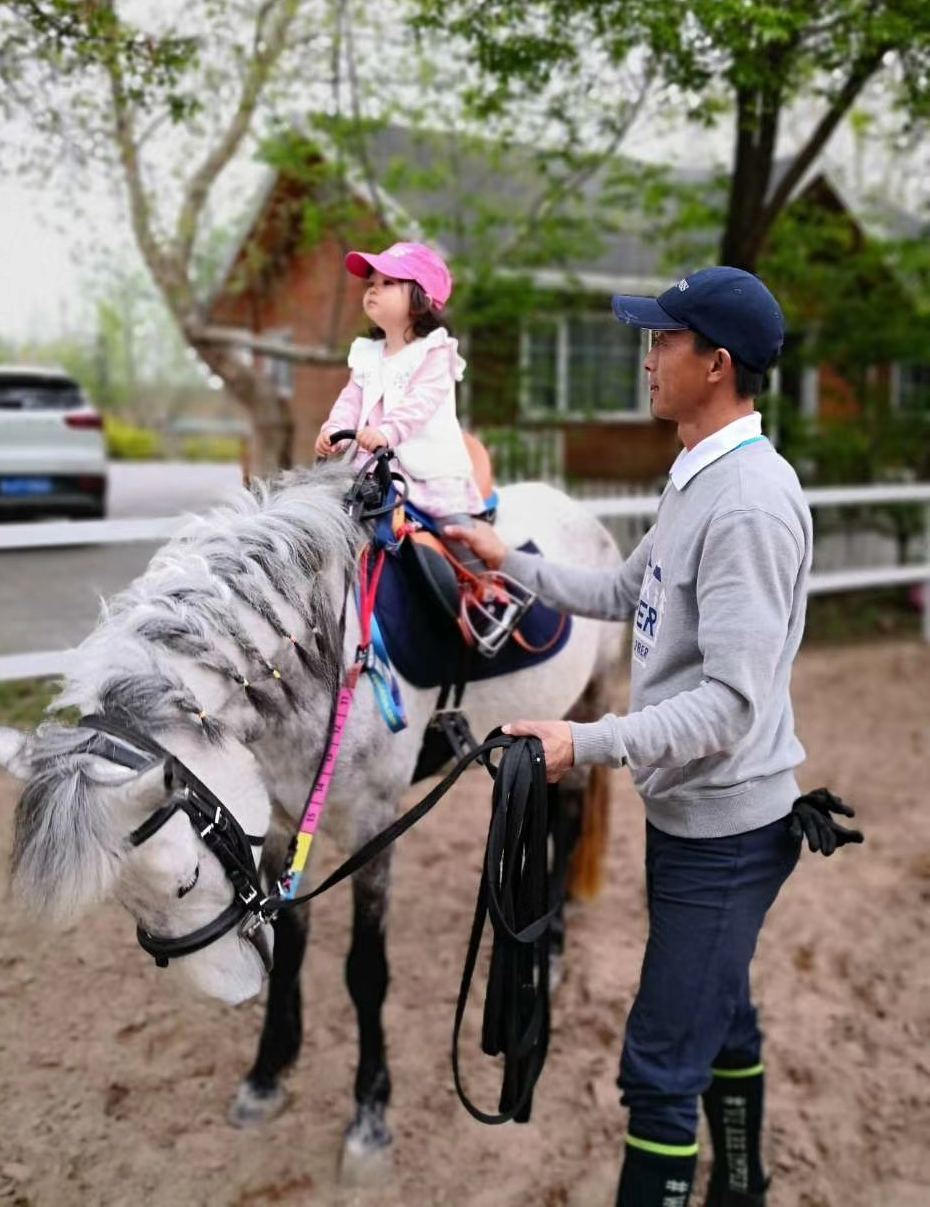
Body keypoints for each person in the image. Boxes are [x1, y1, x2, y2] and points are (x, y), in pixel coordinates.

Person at [445, 266, 855, 1207]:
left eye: (663, 341)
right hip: (695, 821)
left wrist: (580, 745)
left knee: (662, 1067)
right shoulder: (698, 475)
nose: (646, 357)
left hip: (727, 833)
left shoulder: (748, 504)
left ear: (715, 365)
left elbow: (730, 705)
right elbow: (629, 593)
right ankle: (742, 1186)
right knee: (726, 1013)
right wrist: (513, 560)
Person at [315, 240, 486, 520]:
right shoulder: (367, 353)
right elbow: (351, 399)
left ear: (422, 298)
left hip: (426, 477)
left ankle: (482, 560)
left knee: (455, 532)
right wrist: (334, 431)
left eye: (388, 283)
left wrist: (386, 432)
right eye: (372, 282)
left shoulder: (435, 351)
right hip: (372, 469)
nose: (373, 289)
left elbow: (420, 403)